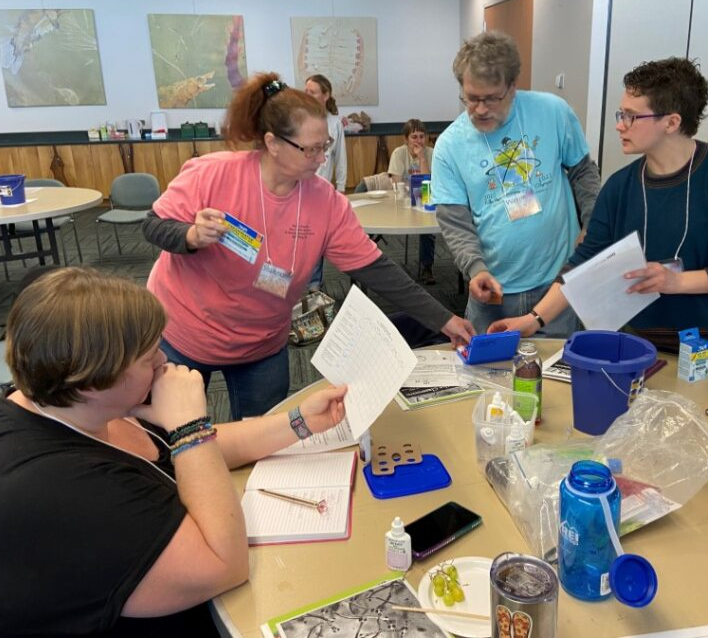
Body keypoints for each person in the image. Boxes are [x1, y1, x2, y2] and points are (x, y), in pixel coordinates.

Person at [0, 267, 349, 635]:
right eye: (149, 358)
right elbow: (224, 565)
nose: (164, 362)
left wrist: (301, 422)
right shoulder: (53, 486)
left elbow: (189, 453)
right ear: (94, 383)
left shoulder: (70, 402)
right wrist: (188, 428)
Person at [142, 72, 474, 420]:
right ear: (272, 143)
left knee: (263, 445)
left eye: (324, 147)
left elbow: (377, 270)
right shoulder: (213, 173)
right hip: (184, 333)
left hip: (261, 343)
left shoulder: (325, 202)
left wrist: (444, 319)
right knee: (168, 441)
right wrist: (190, 237)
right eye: (310, 149)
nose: (320, 159)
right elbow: (153, 225)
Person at [489, 57, 708, 371]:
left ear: (671, 122)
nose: (619, 125)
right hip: (640, 346)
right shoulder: (620, 186)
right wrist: (534, 319)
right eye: (621, 114)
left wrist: (677, 281)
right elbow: (586, 260)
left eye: (630, 116)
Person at [431, 30, 601, 336]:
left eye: (491, 98)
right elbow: (455, 223)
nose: (480, 109)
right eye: (471, 98)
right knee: (487, 378)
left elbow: (583, 173)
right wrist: (475, 268)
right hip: (493, 291)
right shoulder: (449, 146)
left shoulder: (552, 111)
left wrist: (592, 223)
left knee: (556, 376)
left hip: (557, 284)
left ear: (512, 87)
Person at [304, 74, 346, 290]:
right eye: (306, 91)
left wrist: (340, 189)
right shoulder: (299, 118)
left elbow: (340, 159)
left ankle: (314, 285)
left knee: (317, 238)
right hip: (298, 190)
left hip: (322, 194)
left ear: (326, 95)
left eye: (312, 91)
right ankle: (287, 287)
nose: (307, 95)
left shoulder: (334, 123)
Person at [388, 118, 437, 284]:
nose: (418, 140)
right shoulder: (399, 153)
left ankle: (427, 267)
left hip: (425, 199)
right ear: (406, 139)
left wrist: (422, 158)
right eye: (414, 137)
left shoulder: (431, 153)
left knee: (427, 229)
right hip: (404, 201)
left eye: (422, 136)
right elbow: (396, 182)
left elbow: (429, 183)